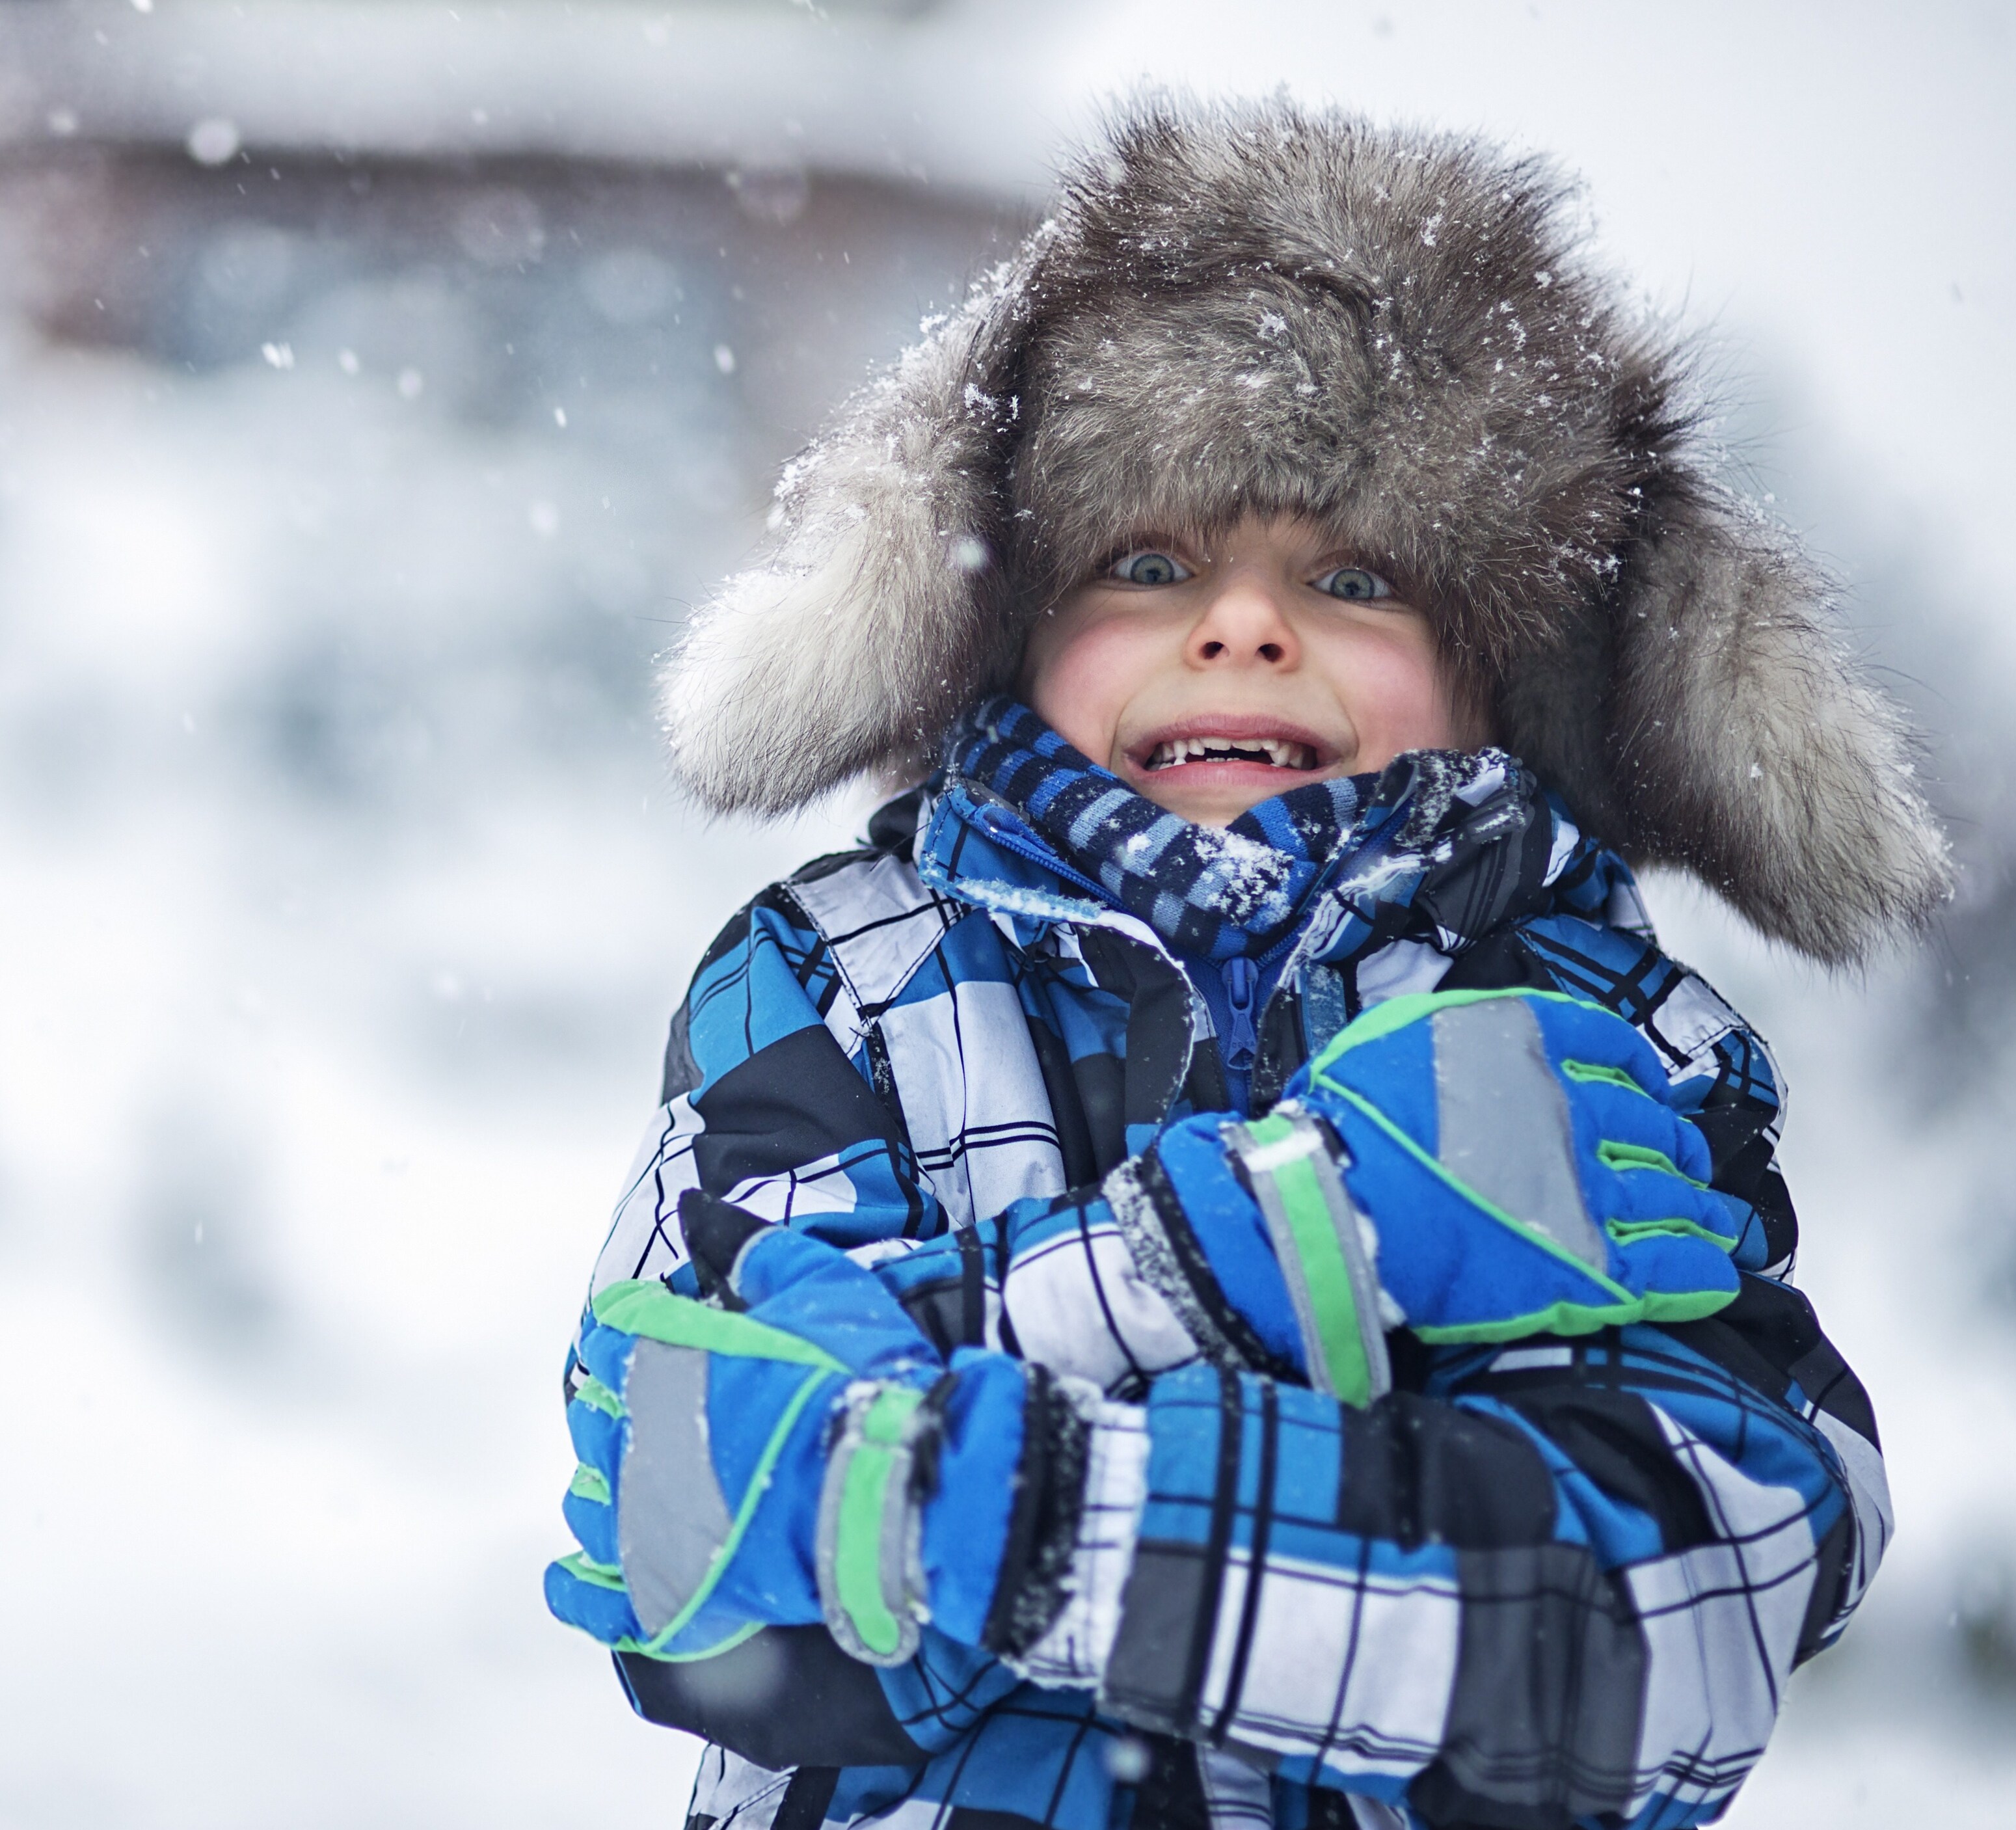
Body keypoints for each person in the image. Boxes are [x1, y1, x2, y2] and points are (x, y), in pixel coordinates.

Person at [548, 98, 1941, 1830]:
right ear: (1004, 624)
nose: (1245, 624)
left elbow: (1660, 1647)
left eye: (1356, 575)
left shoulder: (1610, 1039)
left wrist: (956, 1500)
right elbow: (695, 1543)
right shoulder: (834, 982)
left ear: (1505, 673)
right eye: (1148, 560)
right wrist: (1272, 1245)